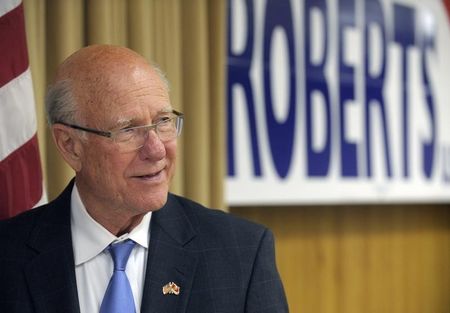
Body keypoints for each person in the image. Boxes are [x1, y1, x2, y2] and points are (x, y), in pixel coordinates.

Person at [0, 45, 288, 313]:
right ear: (70, 145)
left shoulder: (242, 253)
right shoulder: (8, 257)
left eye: (163, 121)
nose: (157, 149)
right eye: (128, 129)